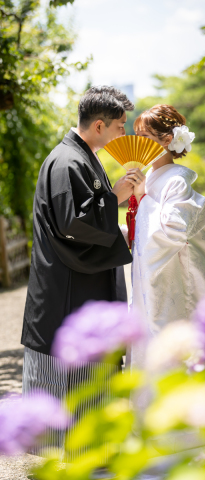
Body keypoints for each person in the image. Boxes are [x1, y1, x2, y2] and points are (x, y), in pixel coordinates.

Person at [20, 86, 142, 456]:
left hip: (75, 280)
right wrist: (116, 197)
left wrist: (117, 224)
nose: (124, 134)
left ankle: (88, 450)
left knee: (87, 375)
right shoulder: (67, 161)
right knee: (73, 371)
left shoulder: (80, 156)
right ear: (100, 125)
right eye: (121, 126)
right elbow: (72, 223)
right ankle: (79, 452)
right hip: (68, 288)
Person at [126, 104, 205, 372]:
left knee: (164, 341)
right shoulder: (152, 176)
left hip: (169, 278)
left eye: (145, 137)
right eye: (137, 136)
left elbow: (173, 230)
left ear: (167, 140)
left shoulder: (176, 181)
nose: (139, 143)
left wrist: (142, 199)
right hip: (150, 276)